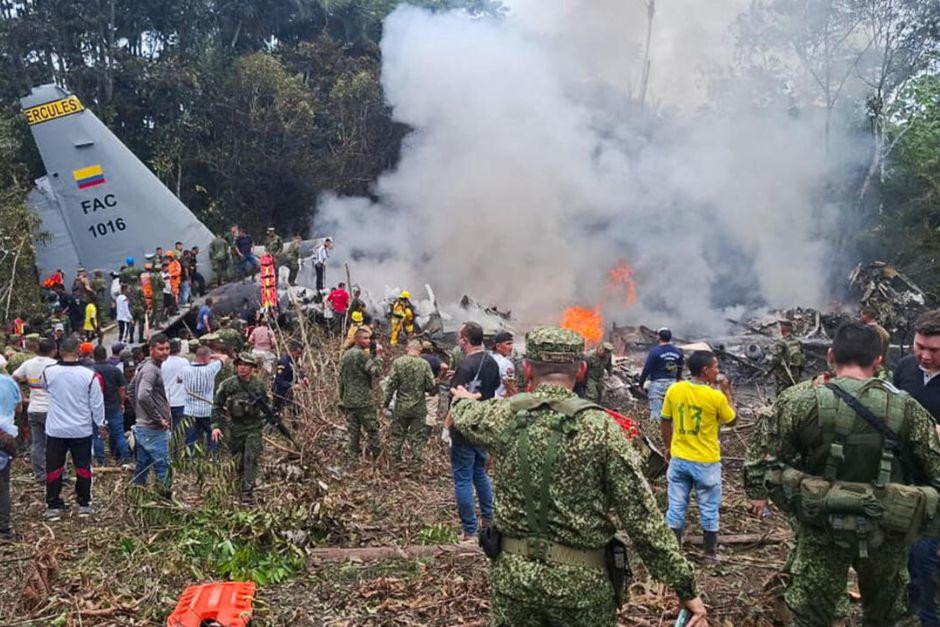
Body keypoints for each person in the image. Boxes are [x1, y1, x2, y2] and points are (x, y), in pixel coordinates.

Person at [450, 326, 706, 626]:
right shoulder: (603, 429)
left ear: (528, 368)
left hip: (514, 585)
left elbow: (466, 414)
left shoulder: (502, 415)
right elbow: (642, 518)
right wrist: (685, 587)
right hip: (583, 591)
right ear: (582, 370)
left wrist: (463, 399)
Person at [744, 322, 940, 625]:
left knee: (811, 613)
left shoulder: (798, 400)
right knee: (887, 614)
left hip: (821, 525)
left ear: (831, 355)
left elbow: (762, 457)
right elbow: (935, 471)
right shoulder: (907, 409)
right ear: (878, 361)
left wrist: (762, 494)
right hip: (886, 530)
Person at [660, 350, 735, 563]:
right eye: (716, 367)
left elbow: (665, 421)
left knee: (675, 506)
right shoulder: (715, 396)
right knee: (709, 508)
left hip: (680, 459)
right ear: (706, 371)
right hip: (706, 462)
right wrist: (727, 391)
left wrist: (668, 446)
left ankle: (673, 554)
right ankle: (709, 554)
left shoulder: (675, 390)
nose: (718, 371)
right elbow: (732, 420)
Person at [893, 310, 940, 624]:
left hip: (936, 488)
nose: (923, 355)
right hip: (904, 481)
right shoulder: (905, 368)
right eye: (919, 345)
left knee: (926, 557)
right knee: (904, 555)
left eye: (934, 350)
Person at [444, 322, 500, 539]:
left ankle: (469, 530)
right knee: (480, 473)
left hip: (464, 428)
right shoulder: (491, 362)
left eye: (460, 337)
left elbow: (456, 398)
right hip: (483, 426)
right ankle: (489, 519)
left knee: (463, 478)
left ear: (465, 340)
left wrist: (447, 426)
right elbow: (493, 388)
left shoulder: (466, 365)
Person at [41, 337, 106, 519]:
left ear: (59, 351)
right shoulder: (89, 375)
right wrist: (101, 424)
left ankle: (53, 504)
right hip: (81, 429)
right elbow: (97, 403)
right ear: (79, 351)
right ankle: (84, 503)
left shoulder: (49, 372)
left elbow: (44, 387)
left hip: (56, 429)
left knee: (54, 467)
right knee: (83, 467)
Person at [211, 353, 271, 504]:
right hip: (235, 427)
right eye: (240, 365)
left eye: (246, 365)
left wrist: (269, 420)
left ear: (252, 368)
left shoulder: (258, 385)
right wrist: (216, 426)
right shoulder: (228, 385)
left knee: (251, 458)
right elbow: (217, 406)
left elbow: (267, 405)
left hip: (253, 427)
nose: (242, 368)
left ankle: (247, 492)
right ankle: (237, 485)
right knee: (237, 459)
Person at [383, 339, 436, 466]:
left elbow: (390, 385)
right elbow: (431, 385)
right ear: (420, 350)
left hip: (401, 406)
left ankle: (395, 460)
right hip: (419, 407)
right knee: (417, 436)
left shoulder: (398, 362)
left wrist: (385, 403)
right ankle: (415, 462)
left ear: (408, 348)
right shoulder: (424, 364)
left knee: (398, 434)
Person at [132, 333, 173, 493]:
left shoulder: (145, 366)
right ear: (151, 349)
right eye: (161, 349)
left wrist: (140, 414)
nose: (165, 352)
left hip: (143, 426)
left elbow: (131, 391)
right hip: (153, 428)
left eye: (167, 348)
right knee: (163, 465)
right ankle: (165, 501)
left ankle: (137, 496)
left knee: (143, 464)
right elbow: (142, 395)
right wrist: (157, 418)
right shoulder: (151, 370)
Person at [12, 338, 57, 482]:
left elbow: (14, 378)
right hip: (51, 410)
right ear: (53, 351)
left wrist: (22, 396)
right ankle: (54, 473)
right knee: (55, 443)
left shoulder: (28, 364)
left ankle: (40, 474)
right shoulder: (55, 365)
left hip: (34, 408)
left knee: (37, 443)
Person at [339, 328, 384, 459]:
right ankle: (377, 457)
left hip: (349, 400)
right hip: (363, 400)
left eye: (369, 338)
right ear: (357, 339)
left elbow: (341, 379)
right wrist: (379, 356)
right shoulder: (362, 355)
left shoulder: (346, 355)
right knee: (372, 429)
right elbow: (376, 372)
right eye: (365, 338)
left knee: (353, 431)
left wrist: (341, 397)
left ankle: (352, 457)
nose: (368, 341)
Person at [90, 345, 132, 465]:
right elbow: (122, 389)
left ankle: (101, 461)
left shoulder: (90, 370)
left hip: (96, 408)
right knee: (119, 433)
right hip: (113, 406)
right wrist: (121, 403)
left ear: (93, 356)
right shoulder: (114, 370)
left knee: (98, 434)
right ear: (106, 355)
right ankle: (126, 458)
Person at [182, 346, 226, 450]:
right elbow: (224, 357)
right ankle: (212, 457)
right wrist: (212, 356)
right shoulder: (210, 369)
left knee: (190, 439)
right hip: (207, 410)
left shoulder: (185, 369)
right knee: (213, 435)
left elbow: (179, 381)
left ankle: (190, 459)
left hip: (190, 411)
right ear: (207, 357)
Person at [639, 327, 685, 421]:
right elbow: (680, 367)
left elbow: (647, 368)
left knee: (656, 412)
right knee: (671, 412)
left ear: (659, 337)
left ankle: (655, 433)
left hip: (657, 384)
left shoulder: (655, 352)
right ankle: (671, 433)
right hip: (672, 385)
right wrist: (678, 378)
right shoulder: (677, 352)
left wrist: (641, 383)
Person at [0, 372, 19, 542]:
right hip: (4, 441)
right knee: (3, 487)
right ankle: (3, 530)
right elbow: (18, 407)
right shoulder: (9, 383)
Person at [767, 320, 805, 393]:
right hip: (796, 372)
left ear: (782, 330)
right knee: (794, 391)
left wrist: (769, 370)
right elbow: (803, 356)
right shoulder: (798, 342)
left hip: (784, 373)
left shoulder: (780, 343)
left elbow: (776, 359)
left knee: (782, 393)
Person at [161, 339, 189, 435]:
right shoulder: (184, 362)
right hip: (181, 402)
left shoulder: (161, 363)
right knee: (180, 432)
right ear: (179, 349)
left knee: (167, 431)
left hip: (165, 402)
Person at [273, 341, 303, 417]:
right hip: (281, 393)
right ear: (292, 351)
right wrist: (291, 386)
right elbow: (278, 380)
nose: (299, 355)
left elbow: (298, 371)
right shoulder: (284, 361)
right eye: (298, 353)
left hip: (291, 393)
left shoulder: (295, 361)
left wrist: (304, 377)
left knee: (296, 410)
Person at [490, 331, 516, 398]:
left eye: (511, 344)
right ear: (498, 346)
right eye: (508, 344)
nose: (511, 347)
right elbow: (510, 388)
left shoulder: (487, 358)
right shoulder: (506, 363)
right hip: (499, 401)